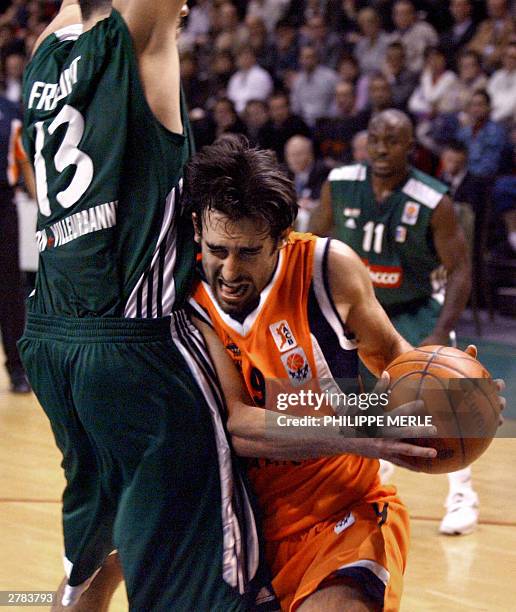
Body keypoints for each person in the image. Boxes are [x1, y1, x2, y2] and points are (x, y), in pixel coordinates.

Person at [20, 1, 273, 610]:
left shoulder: (42, 56)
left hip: (52, 342)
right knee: (201, 580)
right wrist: (378, 424)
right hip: (135, 343)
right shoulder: (135, 43)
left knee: (95, 562)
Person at [187, 135, 439, 611]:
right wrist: (358, 431)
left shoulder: (326, 268)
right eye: (218, 249)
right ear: (198, 227)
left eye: (248, 252)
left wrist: (451, 393)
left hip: (344, 514)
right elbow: (240, 425)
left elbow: (392, 358)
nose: (229, 270)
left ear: (281, 237)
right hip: (240, 530)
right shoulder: (186, 291)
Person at [311, 110, 481, 535]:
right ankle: (369, 476)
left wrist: (441, 329)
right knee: (355, 405)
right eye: (375, 138)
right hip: (356, 311)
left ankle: (463, 495)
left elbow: (460, 269)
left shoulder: (432, 200)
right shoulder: (340, 183)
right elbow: (311, 246)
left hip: (414, 309)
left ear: (411, 148)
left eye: (393, 141)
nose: (382, 148)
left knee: (446, 405)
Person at [0, 94, 35, 393]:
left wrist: (43, 205)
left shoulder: (10, 109)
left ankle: (17, 368)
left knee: (10, 289)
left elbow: (23, 159)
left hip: (3, 205)